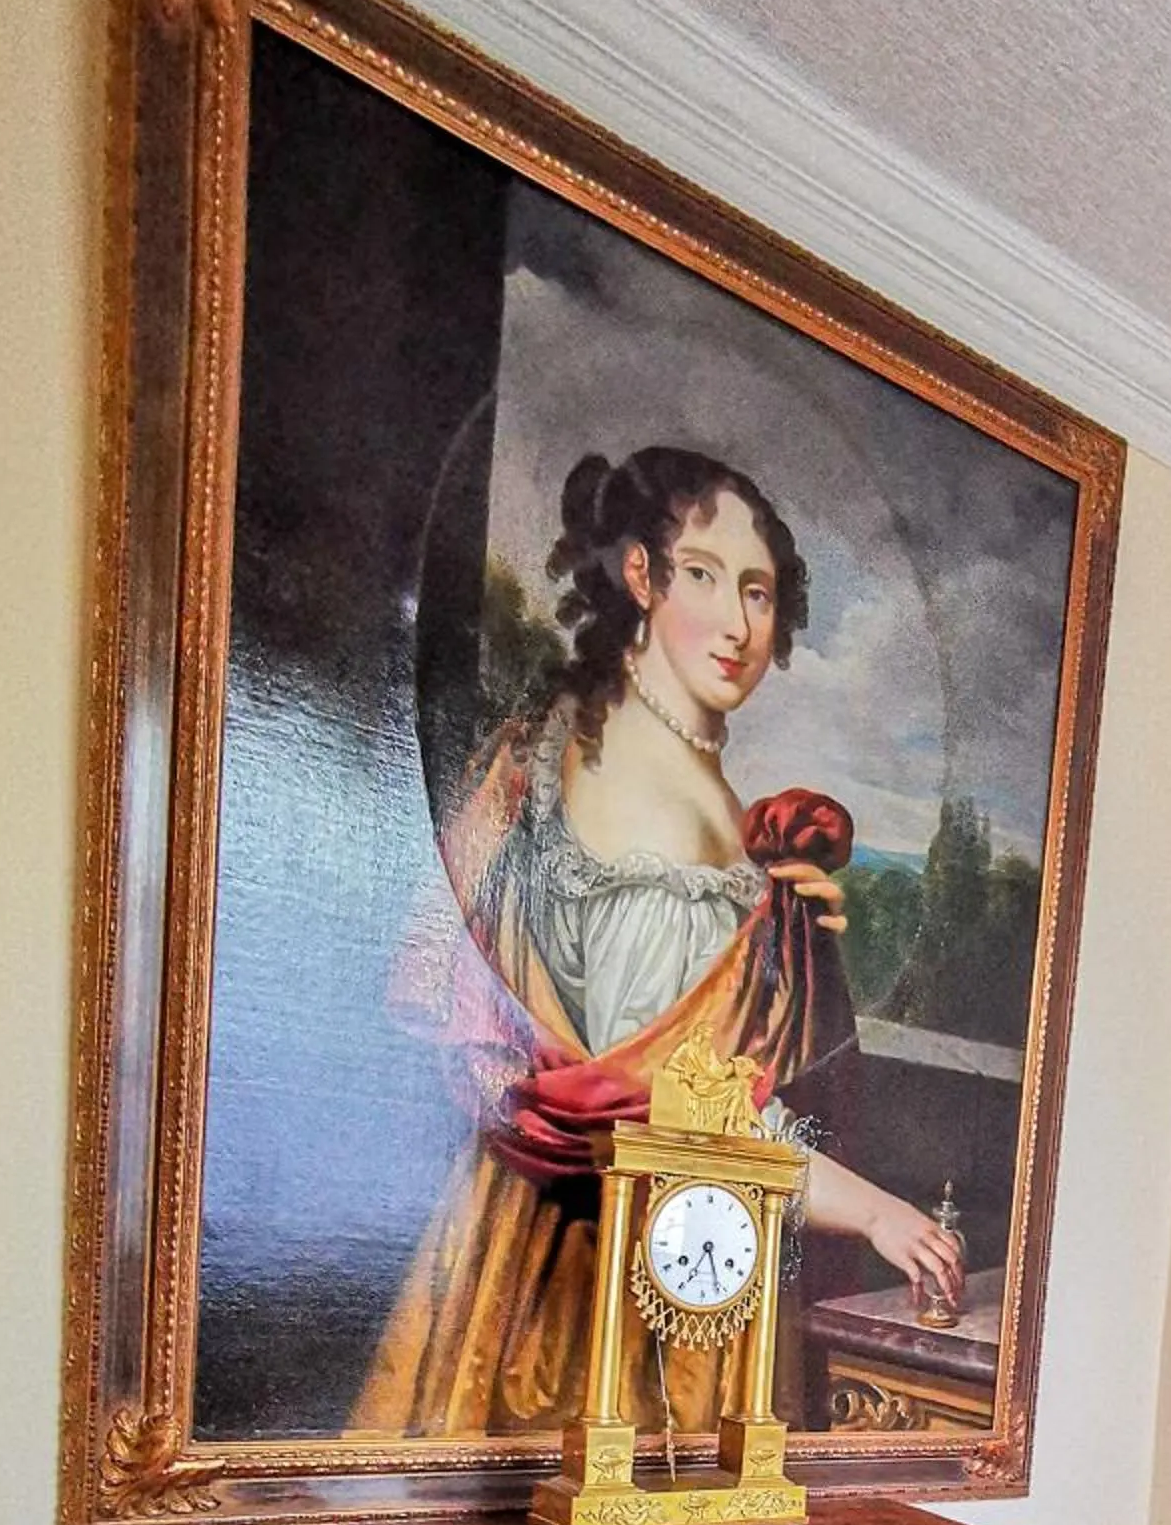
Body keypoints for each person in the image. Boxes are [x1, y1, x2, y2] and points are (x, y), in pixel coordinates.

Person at [352, 444, 962, 1436]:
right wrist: (875, 1210)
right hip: (585, 1289)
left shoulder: (694, 793)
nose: (738, 625)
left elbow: (696, 1097)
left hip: (669, 1263)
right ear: (641, 576)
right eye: (705, 577)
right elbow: (655, 1108)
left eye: (759, 593)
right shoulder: (626, 781)